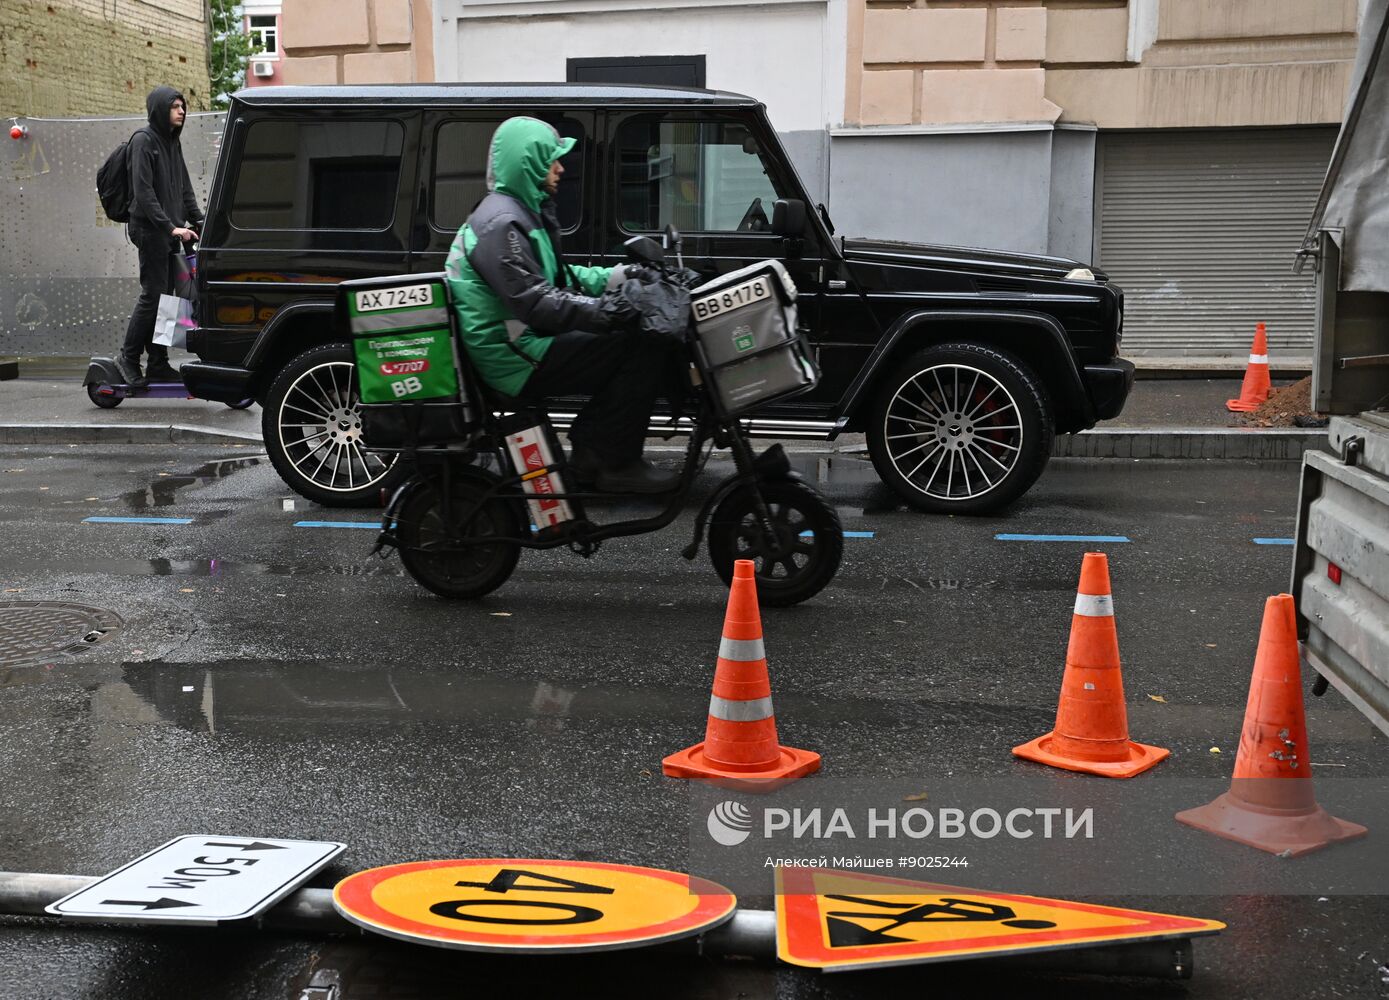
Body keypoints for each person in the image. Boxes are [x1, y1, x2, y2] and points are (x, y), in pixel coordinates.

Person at [445, 116, 681, 494]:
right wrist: (614, 311)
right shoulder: (502, 222)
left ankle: (594, 452)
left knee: (629, 334)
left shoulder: (518, 212)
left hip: (523, 342)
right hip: (514, 356)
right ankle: (610, 460)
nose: (560, 167)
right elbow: (536, 302)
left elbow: (559, 277)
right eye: (552, 159)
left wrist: (625, 276)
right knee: (638, 342)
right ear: (528, 163)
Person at [118, 85, 203, 387]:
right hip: (150, 229)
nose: (182, 111)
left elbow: (183, 187)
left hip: (169, 231)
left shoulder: (171, 142)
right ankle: (127, 358)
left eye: (183, 106)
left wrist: (200, 219)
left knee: (167, 299)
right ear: (159, 109)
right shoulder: (143, 141)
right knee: (152, 294)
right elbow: (143, 193)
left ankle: (157, 362)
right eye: (175, 106)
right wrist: (170, 227)